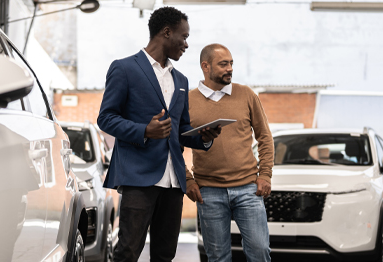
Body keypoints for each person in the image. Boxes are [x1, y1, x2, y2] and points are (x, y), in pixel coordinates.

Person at [97, 7, 220, 262]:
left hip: (174, 182)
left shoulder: (182, 80)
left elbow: (180, 131)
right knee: (128, 251)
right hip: (139, 177)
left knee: (165, 254)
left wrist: (204, 136)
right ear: (166, 32)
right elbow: (106, 118)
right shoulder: (124, 68)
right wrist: (144, 130)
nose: (186, 44)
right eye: (183, 37)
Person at [186, 43, 274, 262]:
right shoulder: (187, 101)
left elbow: (265, 136)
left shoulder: (246, 94)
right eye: (223, 64)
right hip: (209, 192)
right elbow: (174, 147)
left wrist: (265, 174)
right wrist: (187, 180)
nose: (230, 69)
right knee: (218, 257)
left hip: (248, 189)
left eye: (231, 63)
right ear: (205, 66)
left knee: (260, 252)